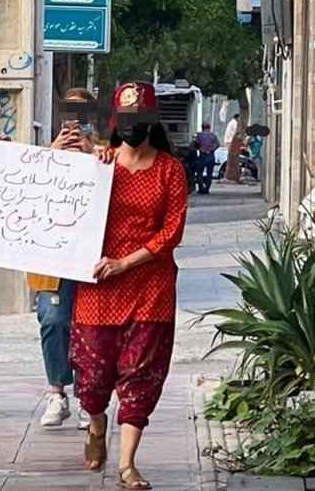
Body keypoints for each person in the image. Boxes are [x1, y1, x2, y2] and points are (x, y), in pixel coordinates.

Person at [70, 82, 188, 490]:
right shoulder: (102, 165)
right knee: (92, 376)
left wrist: (128, 262)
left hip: (150, 284)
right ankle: (97, 426)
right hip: (99, 283)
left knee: (141, 373)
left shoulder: (170, 170)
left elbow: (171, 232)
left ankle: (126, 464)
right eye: (127, 120)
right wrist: (88, 160)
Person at [29, 88, 100, 430]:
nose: (75, 122)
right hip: (51, 257)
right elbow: (21, 185)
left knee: (90, 328)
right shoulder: (44, 153)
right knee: (53, 321)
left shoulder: (106, 153)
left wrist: (92, 156)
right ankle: (57, 391)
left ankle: (90, 397)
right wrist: (50, 155)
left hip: (91, 257)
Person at [193, 123, 220, 195]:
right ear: (209, 127)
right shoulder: (213, 135)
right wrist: (211, 149)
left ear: (202, 127)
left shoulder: (199, 135)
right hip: (211, 155)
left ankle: (201, 188)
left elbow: (196, 144)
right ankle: (207, 188)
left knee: (199, 172)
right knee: (209, 173)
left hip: (202, 155)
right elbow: (217, 144)